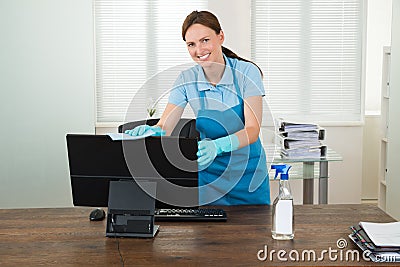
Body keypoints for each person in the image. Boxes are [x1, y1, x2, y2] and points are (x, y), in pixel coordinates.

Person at [125, 10, 270, 205]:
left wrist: (218, 146)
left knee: (254, 233)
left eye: (205, 40)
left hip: (248, 175)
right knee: (209, 234)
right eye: (191, 44)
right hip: (210, 178)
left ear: (221, 37)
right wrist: (153, 130)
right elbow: (165, 126)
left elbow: (252, 130)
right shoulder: (186, 80)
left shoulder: (246, 73)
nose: (199, 50)